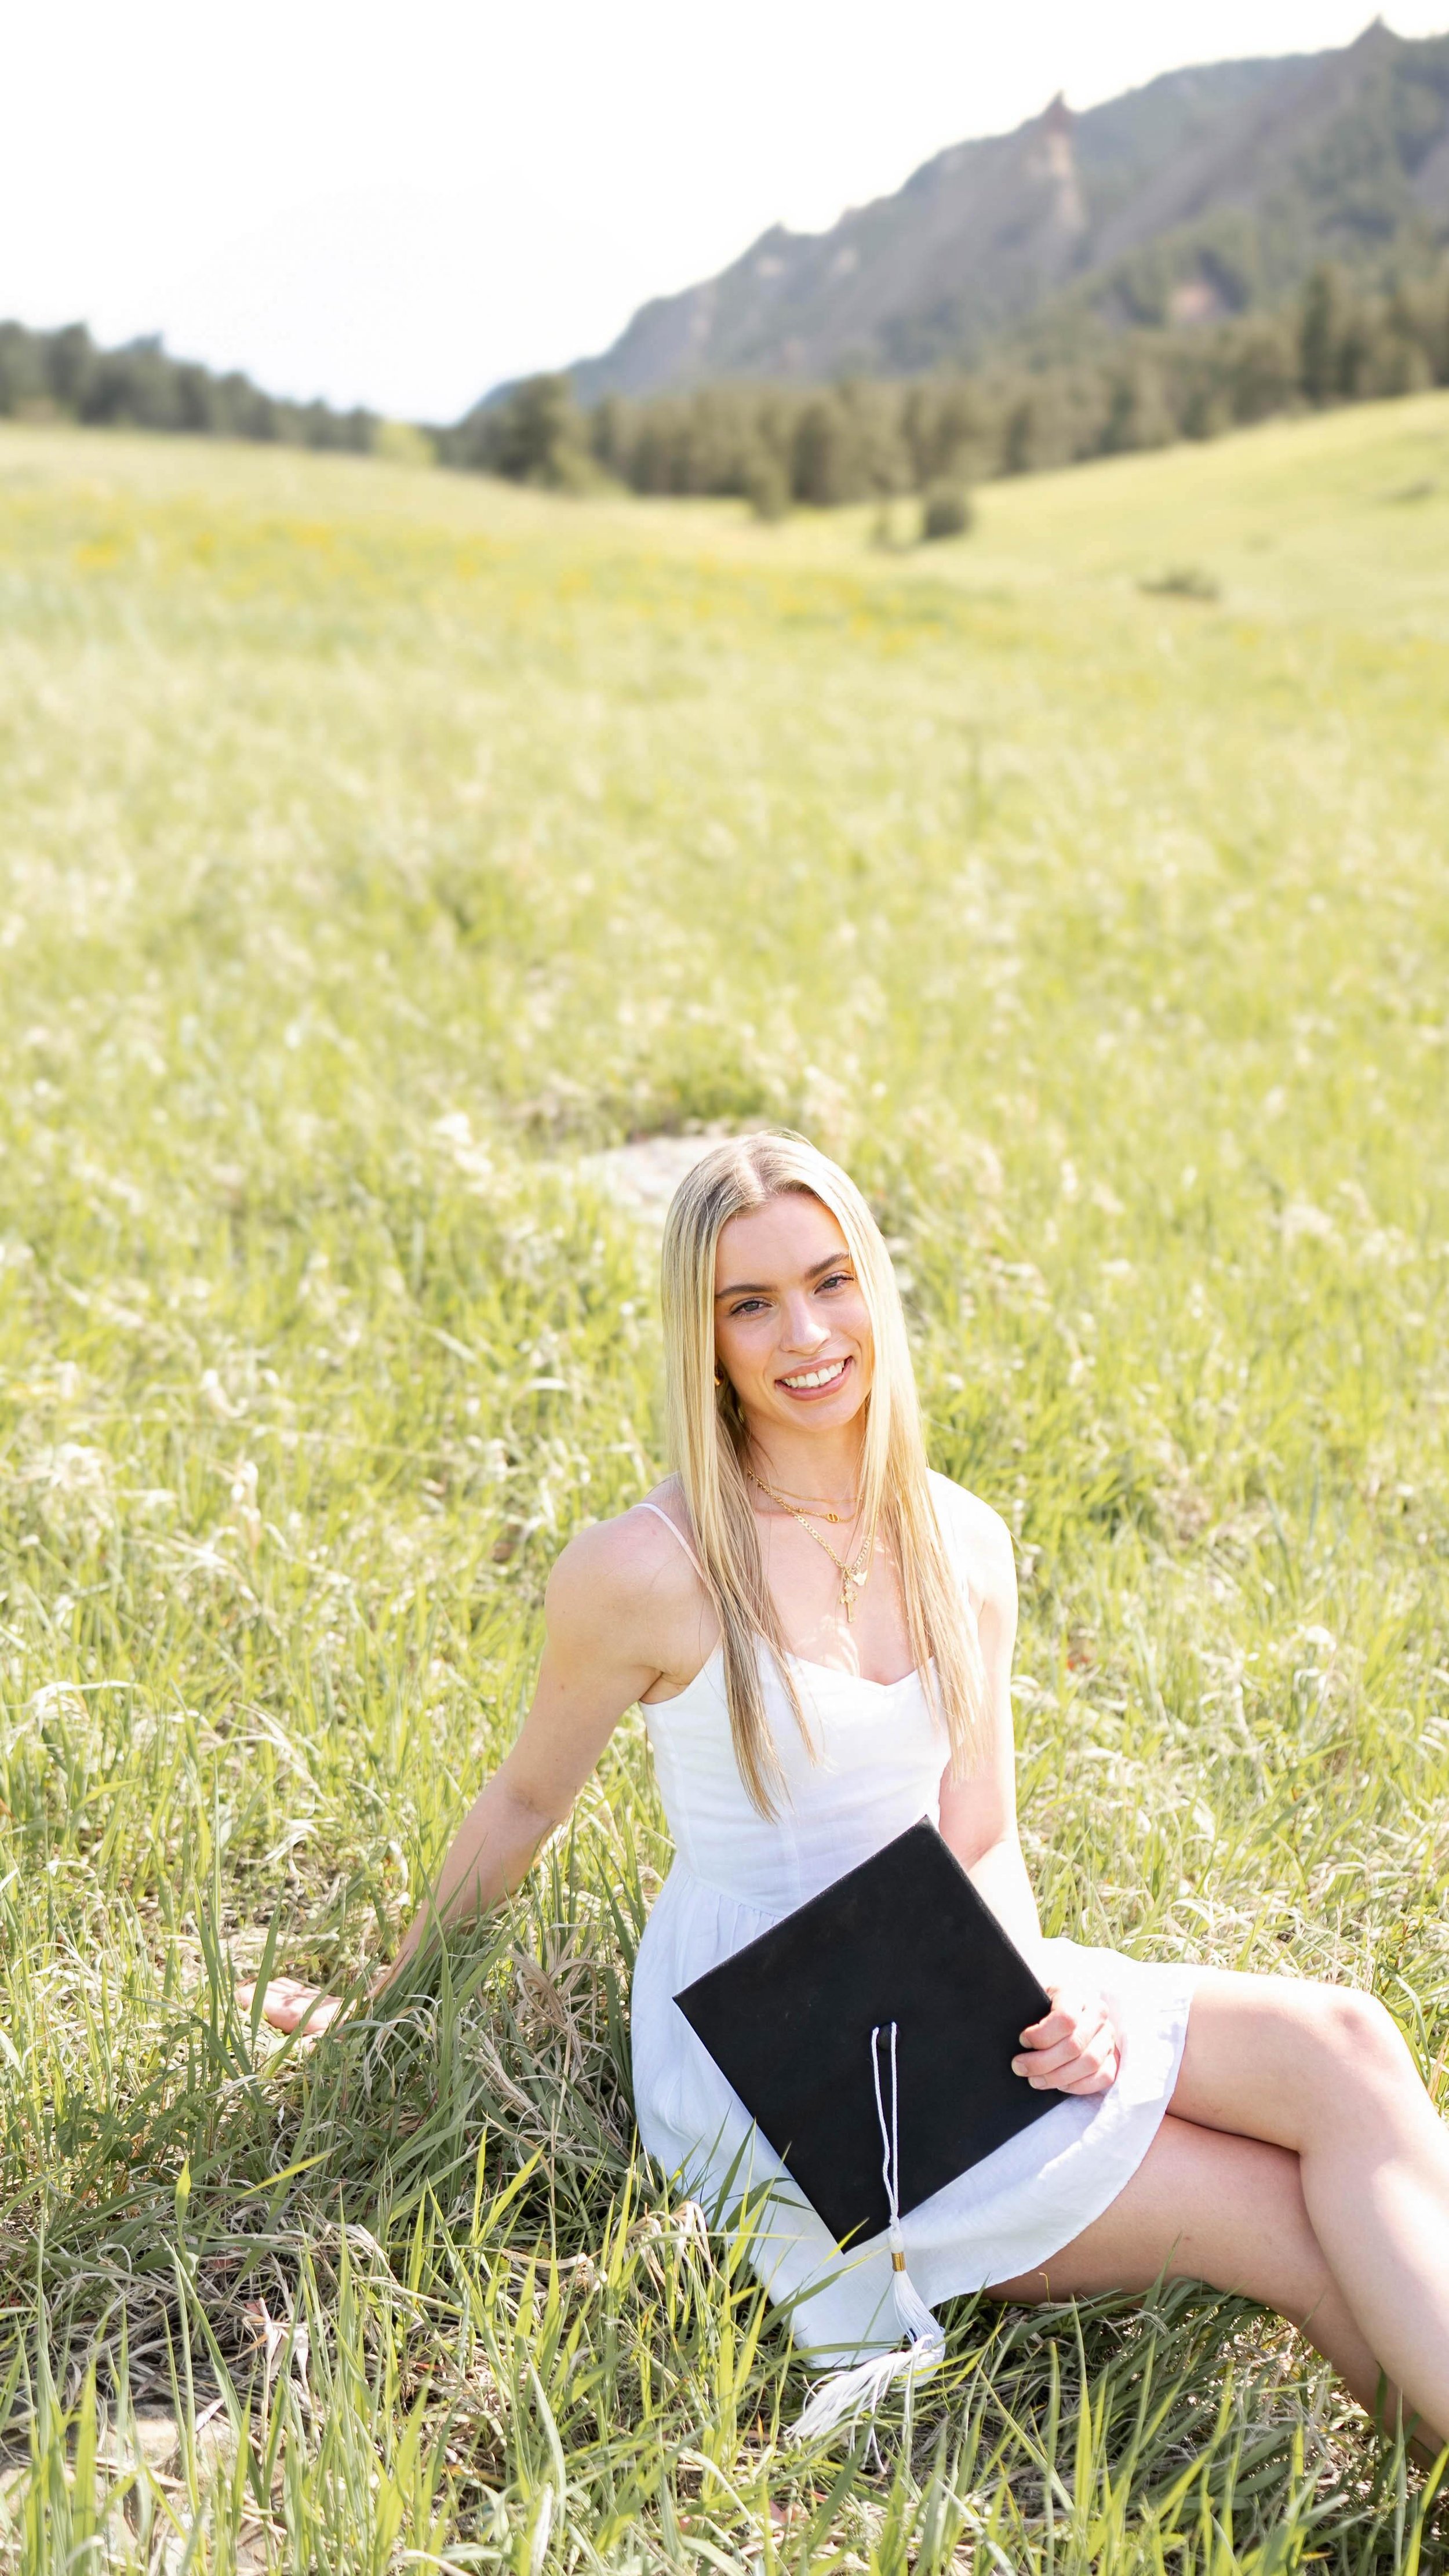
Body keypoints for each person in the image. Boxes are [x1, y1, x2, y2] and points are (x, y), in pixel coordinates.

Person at [245, 1131, 1449, 2454]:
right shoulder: (648, 1571)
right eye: (750, 1304)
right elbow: (525, 1803)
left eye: (829, 1281)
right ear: (703, 1340)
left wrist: (1039, 1997)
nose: (807, 1333)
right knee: (1280, 2218)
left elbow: (979, 1830)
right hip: (777, 2032)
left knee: (1347, 2042)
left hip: (940, 1964)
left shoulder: (959, 1537)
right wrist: (385, 2007)